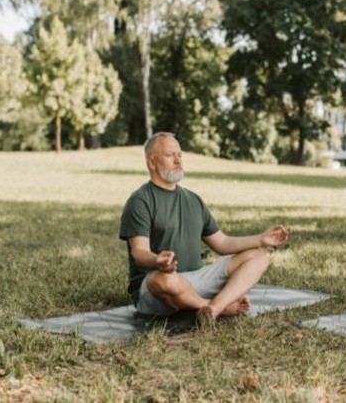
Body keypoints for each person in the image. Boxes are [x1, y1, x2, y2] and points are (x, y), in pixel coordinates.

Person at [119, 132, 290, 322]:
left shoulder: (193, 200)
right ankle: (214, 305)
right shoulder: (140, 201)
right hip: (157, 286)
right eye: (170, 155)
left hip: (195, 281)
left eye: (180, 154)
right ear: (152, 162)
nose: (178, 160)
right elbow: (139, 253)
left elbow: (222, 243)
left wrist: (261, 239)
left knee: (258, 257)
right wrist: (157, 260)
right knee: (162, 279)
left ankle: (214, 308)